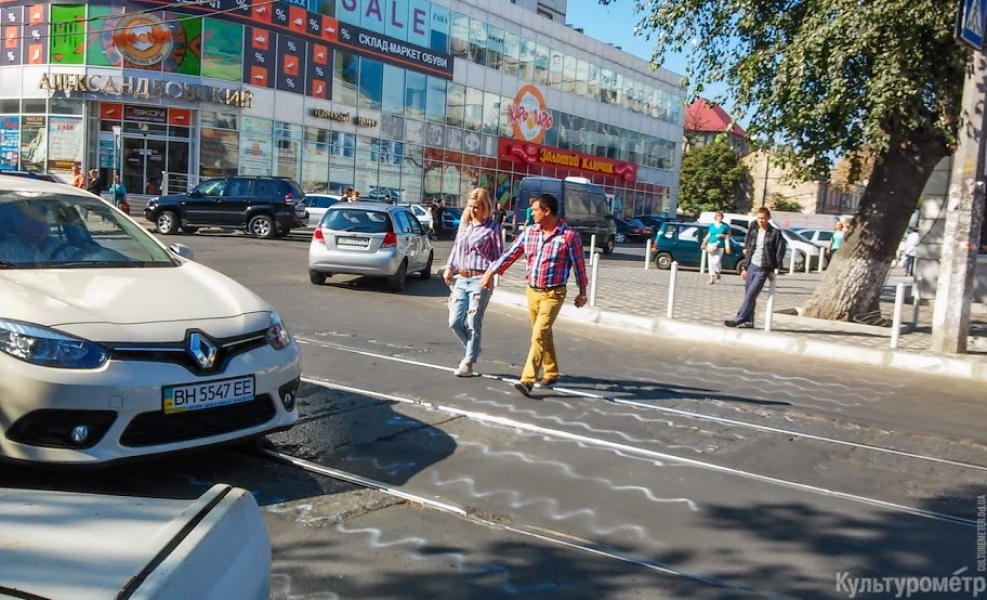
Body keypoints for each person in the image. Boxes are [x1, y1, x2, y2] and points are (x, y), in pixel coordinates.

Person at [481, 193, 588, 396]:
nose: (531, 213)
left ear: (547, 211)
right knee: (542, 334)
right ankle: (551, 371)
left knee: (538, 334)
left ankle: (527, 380)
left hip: (554, 293)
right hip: (532, 291)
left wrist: (582, 293)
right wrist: (491, 272)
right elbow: (510, 253)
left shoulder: (568, 237)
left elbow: (579, 267)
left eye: (535, 210)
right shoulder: (530, 232)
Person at [443, 188, 503, 377]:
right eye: (470, 207)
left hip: (480, 279)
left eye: (477, 207)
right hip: (461, 278)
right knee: (454, 321)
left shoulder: (493, 228)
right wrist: (449, 267)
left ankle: (468, 362)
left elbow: (499, 256)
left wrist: (490, 275)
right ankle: (473, 348)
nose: (473, 211)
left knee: (472, 320)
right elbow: (455, 249)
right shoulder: (464, 226)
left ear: (485, 207)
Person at [724, 207, 786, 329]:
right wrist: (745, 268)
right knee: (748, 294)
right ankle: (749, 321)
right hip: (752, 265)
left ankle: (738, 319)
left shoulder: (775, 233)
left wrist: (773, 269)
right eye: (759, 218)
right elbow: (749, 250)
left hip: (763, 268)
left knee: (751, 294)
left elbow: (779, 251)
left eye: (763, 218)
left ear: (768, 218)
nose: (761, 221)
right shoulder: (754, 231)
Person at [704, 210, 730, 284]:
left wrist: (723, 235)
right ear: (716, 217)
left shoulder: (725, 226)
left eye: (721, 216)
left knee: (716, 261)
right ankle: (711, 278)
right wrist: (704, 242)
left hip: (720, 245)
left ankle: (718, 272)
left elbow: (729, 235)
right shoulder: (712, 226)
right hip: (711, 244)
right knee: (710, 262)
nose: (719, 218)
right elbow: (708, 235)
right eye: (718, 216)